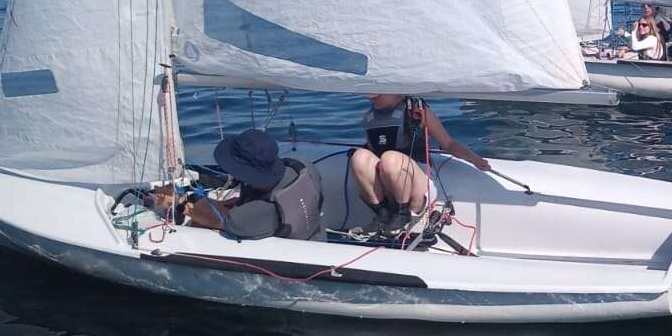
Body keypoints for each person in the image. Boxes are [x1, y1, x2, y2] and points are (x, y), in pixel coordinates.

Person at [348, 95, 490, 236]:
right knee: (360, 157)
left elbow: (448, 144)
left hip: (417, 180)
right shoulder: (371, 116)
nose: (370, 97)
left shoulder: (417, 110)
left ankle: (402, 214)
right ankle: (382, 214)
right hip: (387, 180)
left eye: (376, 94)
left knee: (390, 159)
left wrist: (475, 159)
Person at [190, 128, 325, 241]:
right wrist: (246, 199)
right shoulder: (303, 167)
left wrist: (183, 203)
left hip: (287, 265)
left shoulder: (250, 216)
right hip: (316, 239)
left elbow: (212, 217)